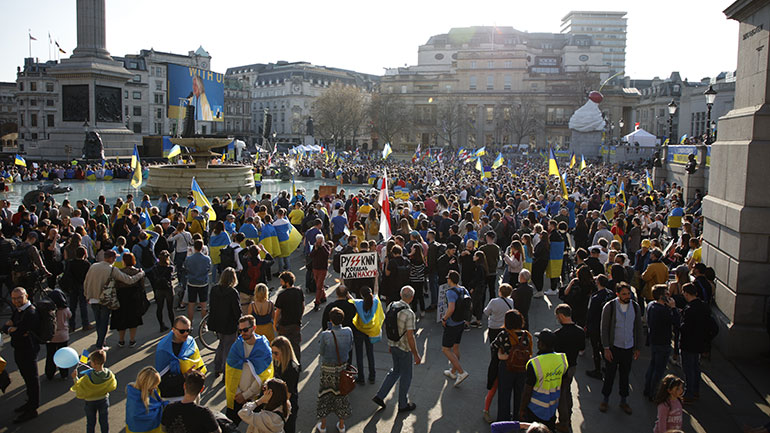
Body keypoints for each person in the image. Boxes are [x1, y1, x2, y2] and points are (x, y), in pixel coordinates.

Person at [372, 285, 421, 412]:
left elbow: (388, 327)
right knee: (406, 375)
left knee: (395, 371)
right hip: (404, 349)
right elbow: (410, 337)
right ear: (412, 298)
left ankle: (380, 395)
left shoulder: (391, 306)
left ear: (400, 295)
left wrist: (390, 344)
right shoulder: (409, 314)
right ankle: (402, 404)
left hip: (393, 345)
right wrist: (416, 354)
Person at [83, 249, 145, 350]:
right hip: (105, 299)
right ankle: (100, 345)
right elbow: (129, 280)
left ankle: (100, 341)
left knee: (98, 322)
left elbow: (86, 282)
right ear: (112, 258)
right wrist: (140, 274)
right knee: (103, 323)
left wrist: (86, 295)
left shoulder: (93, 266)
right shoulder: (112, 269)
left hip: (93, 298)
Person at [599, 282, 643, 415]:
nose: (627, 296)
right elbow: (604, 328)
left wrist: (637, 347)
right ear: (617, 294)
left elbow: (638, 328)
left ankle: (624, 400)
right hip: (614, 348)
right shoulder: (610, 306)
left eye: (628, 294)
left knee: (625, 375)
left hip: (628, 347)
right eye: (624, 294)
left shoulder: (635, 307)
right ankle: (605, 399)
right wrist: (606, 348)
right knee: (610, 375)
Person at [225, 315, 275, 425]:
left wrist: (246, 395)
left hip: (255, 398)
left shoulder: (263, 348)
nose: (243, 333)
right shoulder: (236, 347)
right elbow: (230, 372)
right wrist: (239, 394)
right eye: (240, 330)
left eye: (245, 330)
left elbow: (264, 376)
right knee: (229, 426)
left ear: (254, 328)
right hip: (237, 396)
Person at [2, 287, 40, 423]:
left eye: (19, 298)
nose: (16, 301)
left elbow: (18, 331)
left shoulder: (30, 312)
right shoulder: (18, 311)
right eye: (13, 298)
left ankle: (32, 408)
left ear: (26, 296)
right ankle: (29, 403)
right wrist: (11, 328)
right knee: (26, 377)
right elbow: (6, 327)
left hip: (28, 350)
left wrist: (13, 329)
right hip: (19, 349)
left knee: (32, 379)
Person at [519, 329, 567, 431]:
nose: (537, 342)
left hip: (535, 409)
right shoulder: (562, 359)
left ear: (542, 344)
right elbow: (564, 386)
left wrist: (522, 409)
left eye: (538, 340)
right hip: (552, 407)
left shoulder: (534, 363)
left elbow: (527, 391)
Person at [316, 307, 353, 433]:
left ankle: (323, 425)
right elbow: (349, 347)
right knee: (341, 395)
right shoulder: (348, 331)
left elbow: (321, 352)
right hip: (342, 367)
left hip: (328, 369)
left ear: (330, 320)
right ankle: (341, 425)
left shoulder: (326, 334)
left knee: (325, 395)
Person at [491, 309, 532, 423]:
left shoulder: (504, 334)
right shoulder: (526, 335)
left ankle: (503, 420)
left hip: (507, 367)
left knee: (504, 394)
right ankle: (519, 418)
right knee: (520, 394)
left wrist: (501, 353)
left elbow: (493, 345)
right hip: (522, 368)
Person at [482, 282, 515, 421]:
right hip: (504, 329)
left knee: (494, 351)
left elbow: (486, 312)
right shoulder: (511, 302)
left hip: (494, 328)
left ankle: (492, 374)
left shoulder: (494, 301)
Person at [155, 316, 207, 400]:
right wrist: (185, 376)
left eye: (189, 330)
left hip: (191, 391)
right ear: (173, 330)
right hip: (172, 395)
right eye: (182, 331)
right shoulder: (163, 349)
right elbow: (161, 379)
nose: (186, 334)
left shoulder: (191, 342)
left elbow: (199, 363)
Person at [553, 304, 585, 433]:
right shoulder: (580, 331)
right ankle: (568, 418)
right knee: (567, 392)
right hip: (573, 365)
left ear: (561, 316)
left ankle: (563, 422)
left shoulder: (558, 334)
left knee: (561, 395)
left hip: (561, 367)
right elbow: (582, 348)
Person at [643, 284, 678, 400]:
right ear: (662, 297)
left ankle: (647, 389)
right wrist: (673, 308)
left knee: (652, 366)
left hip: (654, 341)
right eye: (666, 293)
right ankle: (653, 393)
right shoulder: (663, 311)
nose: (669, 295)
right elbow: (675, 322)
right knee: (659, 370)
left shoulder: (651, 305)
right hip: (663, 342)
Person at [70, 349, 117, 433]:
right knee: (104, 422)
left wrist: (74, 377)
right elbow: (113, 385)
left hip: (90, 402)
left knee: (91, 423)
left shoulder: (88, 377)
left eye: (91, 361)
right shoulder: (109, 374)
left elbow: (80, 386)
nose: (89, 363)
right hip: (103, 400)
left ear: (94, 363)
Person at [160, 369, 221, 433]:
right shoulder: (204, 413)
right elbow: (217, 431)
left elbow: (163, 429)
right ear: (202, 389)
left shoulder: (169, 408)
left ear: (184, 386)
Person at [207, 267, 242, 379]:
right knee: (228, 348)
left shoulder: (214, 289)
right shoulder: (232, 292)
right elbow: (237, 311)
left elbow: (211, 306)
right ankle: (226, 373)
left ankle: (217, 367)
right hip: (229, 324)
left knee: (221, 344)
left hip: (217, 323)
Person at [680, 282, 709, 403]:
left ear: (686, 294)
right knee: (696, 368)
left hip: (688, 343)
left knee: (688, 369)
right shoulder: (704, 306)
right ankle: (696, 391)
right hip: (699, 342)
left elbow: (684, 327)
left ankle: (689, 393)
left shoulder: (690, 309)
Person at [441, 270, 471, 387]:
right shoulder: (463, 289)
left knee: (445, 349)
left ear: (450, 280)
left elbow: (451, 308)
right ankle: (453, 371)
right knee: (455, 348)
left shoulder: (450, 293)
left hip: (452, 323)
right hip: (460, 322)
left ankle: (461, 372)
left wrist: (444, 318)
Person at [110, 253, 145, 348]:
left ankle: (121, 340)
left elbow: (115, 284)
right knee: (133, 319)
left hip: (121, 296)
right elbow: (142, 285)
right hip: (134, 297)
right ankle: (132, 340)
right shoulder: (138, 271)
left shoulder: (119, 272)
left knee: (121, 319)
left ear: (124, 261)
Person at [351, 285, 383, 384]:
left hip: (359, 331)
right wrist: (376, 279)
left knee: (359, 355)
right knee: (370, 353)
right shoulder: (375, 302)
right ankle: (372, 376)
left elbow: (348, 296)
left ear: (361, 295)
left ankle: (361, 377)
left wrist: (342, 282)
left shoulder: (358, 303)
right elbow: (377, 292)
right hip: (370, 331)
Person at [274, 271, 304, 366]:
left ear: (286, 282)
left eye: (282, 281)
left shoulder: (282, 295)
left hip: (284, 325)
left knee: (283, 346)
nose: (281, 283)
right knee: (296, 345)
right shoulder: (299, 291)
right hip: (296, 324)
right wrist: (300, 316)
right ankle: (297, 364)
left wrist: (275, 324)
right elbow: (302, 306)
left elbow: (278, 312)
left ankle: (284, 364)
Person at [126, 366, 168, 433]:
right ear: (149, 385)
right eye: (155, 385)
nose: (156, 387)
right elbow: (151, 415)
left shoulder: (132, 394)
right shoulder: (140, 399)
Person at [271, 336, 300, 433]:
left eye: (276, 353)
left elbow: (288, 393)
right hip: (279, 402)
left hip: (286, 405)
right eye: (272, 352)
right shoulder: (278, 362)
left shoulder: (292, 368)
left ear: (284, 352)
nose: (273, 356)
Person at [43, 288, 72, 381]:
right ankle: (64, 374)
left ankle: (49, 373)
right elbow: (70, 315)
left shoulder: (47, 311)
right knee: (63, 355)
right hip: (63, 336)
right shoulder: (65, 309)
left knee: (50, 355)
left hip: (51, 336)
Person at [62, 246, 92, 332]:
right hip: (82, 285)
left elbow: (67, 274)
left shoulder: (70, 263)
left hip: (73, 286)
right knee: (83, 305)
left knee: (72, 306)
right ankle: (85, 324)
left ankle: (71, 326)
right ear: (84, 254)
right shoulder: (86, 264)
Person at [184, 239, 211, 324]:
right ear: (202, 247)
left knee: (191, 304)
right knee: (203, 304)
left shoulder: (189, 259)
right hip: (203, 283)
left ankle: (190, 324)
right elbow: (208, 269)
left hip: (192, 282)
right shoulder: (206, 259)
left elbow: (186, 268)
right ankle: (203, 325)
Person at [148, 250, 175, 332]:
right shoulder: (170, 268)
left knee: (159, 308)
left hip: (159, 289)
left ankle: (161, 325)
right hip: (168, 289)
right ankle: (173, 325)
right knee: (170, 309)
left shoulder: (155, 268)